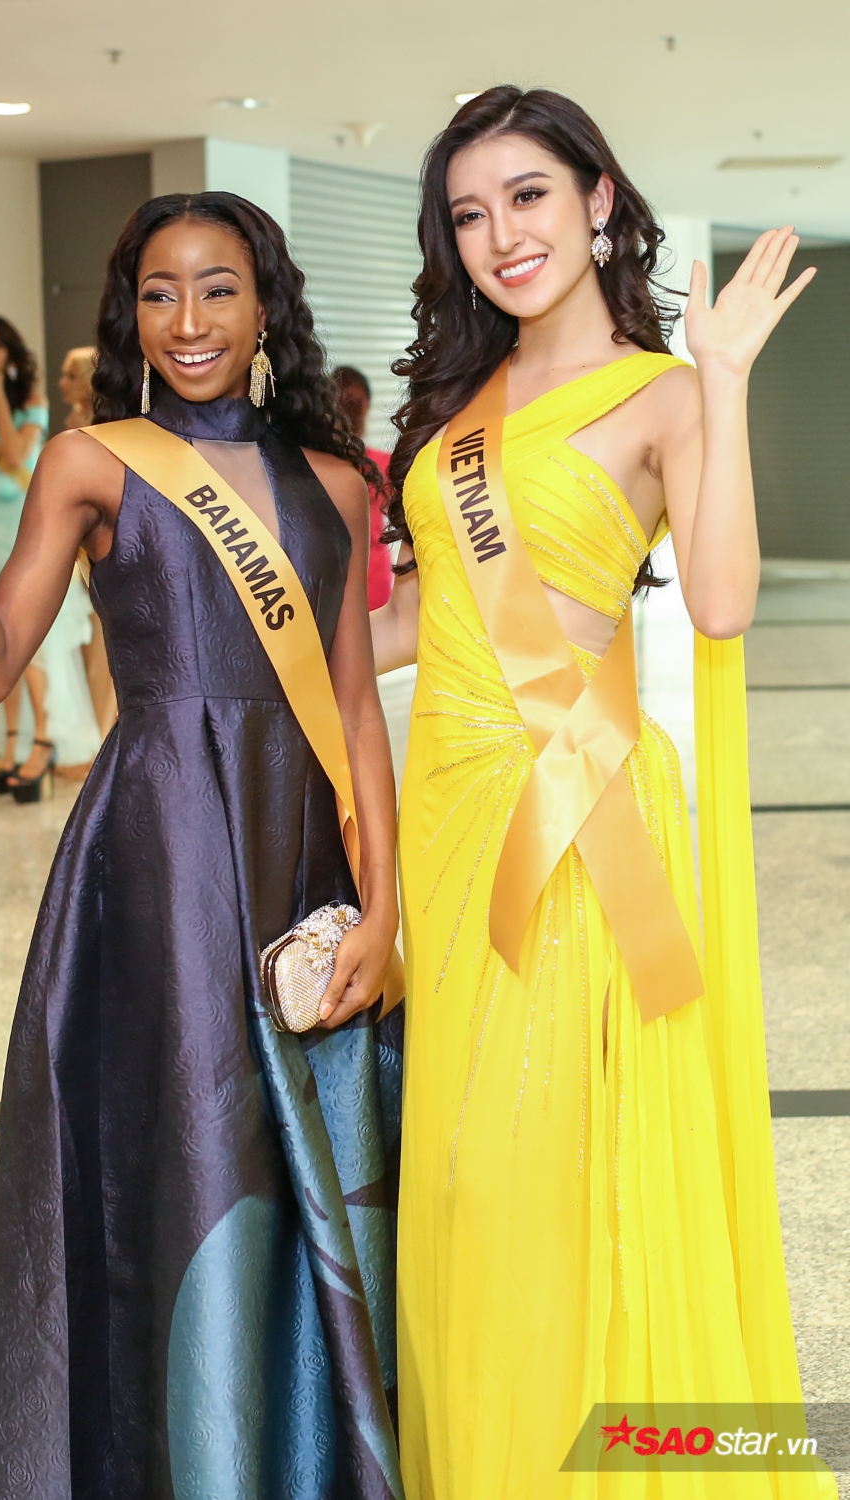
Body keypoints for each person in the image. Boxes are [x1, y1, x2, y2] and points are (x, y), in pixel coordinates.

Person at [0, 190, 402, 1499]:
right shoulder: (94, 462)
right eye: (160, 291)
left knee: (298, 1178)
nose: (189, 319)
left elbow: (355, 709)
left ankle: (284, 1458)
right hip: (158, 860)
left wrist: (385, 910)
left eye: (218, 287)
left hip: (299, 862)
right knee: (177, 1157)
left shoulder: (333, 481)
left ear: (264, 304)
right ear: (130, 311)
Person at [371, 88, 834, 1498]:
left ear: (598, 202)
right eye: (469, 213)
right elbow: (413, 621)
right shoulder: (454, 411)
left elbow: (724, 602)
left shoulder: (664, 394)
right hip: (449, 815)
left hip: (579, 815)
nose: (500, 234)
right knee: (464, 1183)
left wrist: (726, 377)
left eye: (527, 196)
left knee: (559, 1173)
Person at [0, 316, 99, 795]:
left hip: (24, 533)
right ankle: (12, 745)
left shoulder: (34, 405)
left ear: (10, 352)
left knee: (34, 644)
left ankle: (42, 742)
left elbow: (17, 456)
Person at [59, 344, 118, 737]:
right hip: (72, 548)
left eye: (69, 375)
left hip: (100, 548)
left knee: (103, 649)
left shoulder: (105, 425)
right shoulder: (72, 423)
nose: (61, 383)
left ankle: (103, 734)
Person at [334, 366, 394, 609]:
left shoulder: (317, 466)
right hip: (371, 580)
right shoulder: (383, 465)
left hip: (341, 580)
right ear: (367, 406)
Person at [58, 345, 97, 431]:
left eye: (72, 377)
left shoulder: (110, 420)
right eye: (64, 375)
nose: (62, 383)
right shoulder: (75, 416)